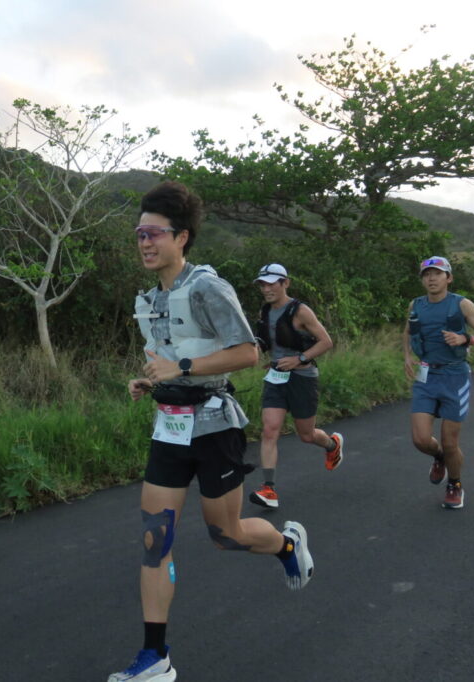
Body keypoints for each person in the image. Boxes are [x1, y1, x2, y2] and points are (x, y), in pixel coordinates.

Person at [109, 181, 313, 682]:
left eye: (154, 233)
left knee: (227, 535)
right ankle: (155, 657)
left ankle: (286, 545)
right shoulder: (151, 298)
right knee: (155, 540)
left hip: (215, 426)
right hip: (170, 427)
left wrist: (180, 367)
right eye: (139, 234)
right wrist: (152, 380)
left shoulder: (207, 287)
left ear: (181, 237)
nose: (144, 242)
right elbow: (173, 357)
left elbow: (246, 353)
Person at [403, 256, 474, 509]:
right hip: (426, 376)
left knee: (449, 441)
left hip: (455, 377)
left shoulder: (462, 304)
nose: (431, 279)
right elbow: (408, 330)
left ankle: (455, 483)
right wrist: (407, 356)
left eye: (437, 274)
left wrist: (466, 339)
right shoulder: (416, 304)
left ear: (449, 278)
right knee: (421, 439)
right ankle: (440, 458)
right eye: (426, 275)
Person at [248, 263, 344, 509]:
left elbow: (326, 341)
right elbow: (266, 339)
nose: (266, 289)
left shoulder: (300, 311)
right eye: (262, 285)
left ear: (285, 283)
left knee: (306, 435)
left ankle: (332, 444)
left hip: (302, 377)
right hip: (276, 377)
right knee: (269, 430)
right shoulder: (265, 310)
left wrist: (299, 359)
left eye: (271, 284)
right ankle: (268, 489)